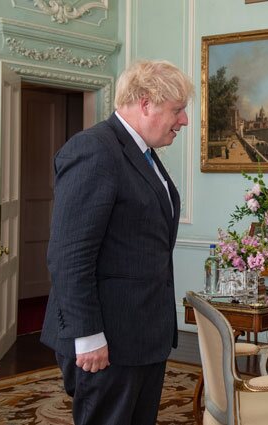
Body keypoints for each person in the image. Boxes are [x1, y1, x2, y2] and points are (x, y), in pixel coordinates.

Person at [40, 60, 194, 425]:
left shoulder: (142, 153)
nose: (184, 120)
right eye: (177, 110)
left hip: (141, 335)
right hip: (107, 338)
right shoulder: (94, 150)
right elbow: (69, 256)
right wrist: (88, 335)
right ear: (145, 103)